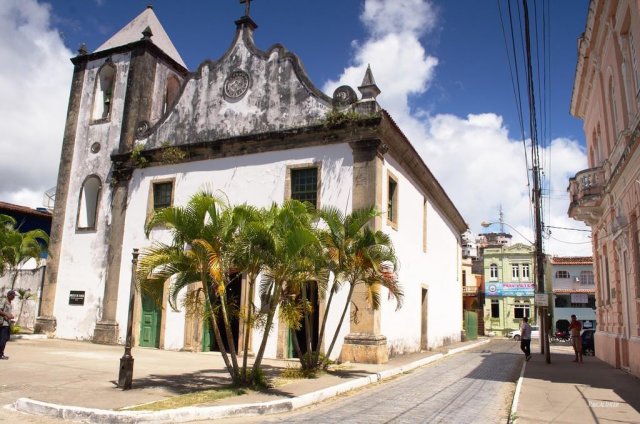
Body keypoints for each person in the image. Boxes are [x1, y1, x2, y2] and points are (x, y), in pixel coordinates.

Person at [0, 290, 16, 360]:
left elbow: (7, 313)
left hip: (7, 323)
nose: (14, 297)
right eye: (13, 296)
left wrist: (11, 316)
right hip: (3, 323)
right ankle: (0, 355)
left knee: (5, 339)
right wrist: (6, 315)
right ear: (9, 295)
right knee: (2, 340)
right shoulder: (4, 301)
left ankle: (1, 353)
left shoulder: (10, 303)